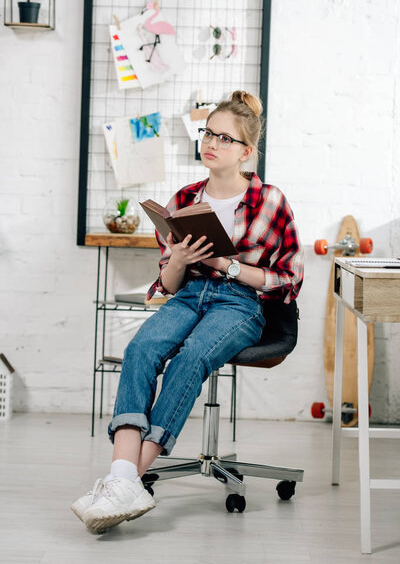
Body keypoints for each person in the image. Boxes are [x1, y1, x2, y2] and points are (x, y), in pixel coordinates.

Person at [71, 90, 304, 533]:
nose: (210, 142)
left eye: (223, 137)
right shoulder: (183, 198)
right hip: (188, 295)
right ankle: (124, 478)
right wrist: (178, 258)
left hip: (240, 303)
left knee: (192, 354)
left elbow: (288, 278)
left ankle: (125, 479)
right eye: (207, 132)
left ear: (246, 152)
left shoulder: (270, 200)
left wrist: (226, 264)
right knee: (142, 348)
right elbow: (170, 283)